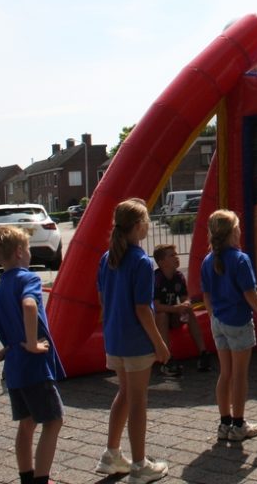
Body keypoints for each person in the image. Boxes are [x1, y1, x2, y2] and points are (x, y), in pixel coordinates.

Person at [0, 226, 65, 484]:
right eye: (29, 249)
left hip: (13, 369)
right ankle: (41, 480)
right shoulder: (28, 279)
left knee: (26, 423)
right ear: (20, 252)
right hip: (35, 367)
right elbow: (29, 305)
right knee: (53, 421)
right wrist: (32, 343)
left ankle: (26, 477)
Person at [95, 198, 171, 484]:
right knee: (138, 399)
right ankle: (140, 465)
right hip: (136, 340)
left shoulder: (107, 258)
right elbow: (142, 308)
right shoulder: (141, 261)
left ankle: (112, 454)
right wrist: (159, 343)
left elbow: (103, 298)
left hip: (114, 337)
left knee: (125, 393)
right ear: (139, 226)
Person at [201, 209, 257, 442]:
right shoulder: (240, 259)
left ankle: (224, 423)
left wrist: (213, 315)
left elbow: (206, 294)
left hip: (219, 321)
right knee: (240, 375)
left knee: (225, 373)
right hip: (238, 321)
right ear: (233, 232)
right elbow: (249, 292)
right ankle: (239, 424)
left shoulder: (208, 260)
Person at [152, 242, 213, 376]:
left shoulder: (178, 276)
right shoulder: (157, 278)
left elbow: (185, 298)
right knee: (162, 315)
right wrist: (177, 308)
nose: (177, 257)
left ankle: (203, 353)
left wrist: (185, 304)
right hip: (158, 320)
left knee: (188, 310)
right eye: (172, 255)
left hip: (173, 317)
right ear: (162, 262)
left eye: (176, 254)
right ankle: (167, 360)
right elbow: (156, 306)